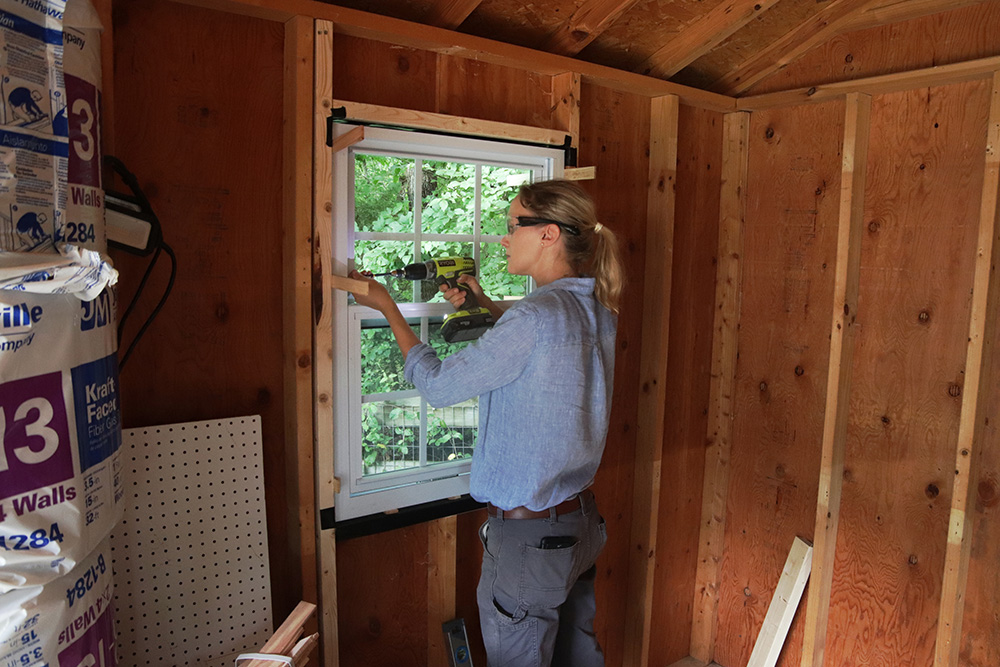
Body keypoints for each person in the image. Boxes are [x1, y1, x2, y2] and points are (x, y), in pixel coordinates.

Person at [349, 178, 624, 667]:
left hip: (530, 544)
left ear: (549, 234)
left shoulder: (533, 318)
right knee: (580, 659)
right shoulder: (595, 306)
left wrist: (387, 307)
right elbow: (543, 355)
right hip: (580, 528)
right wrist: (486, 308)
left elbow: (437, 386)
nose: (504, 237)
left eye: (514, 224)